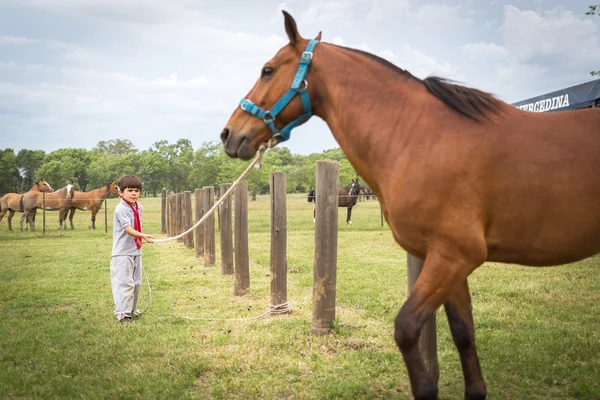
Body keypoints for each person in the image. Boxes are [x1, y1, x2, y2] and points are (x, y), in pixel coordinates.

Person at [110, 175, 155, 323]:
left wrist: (141, 239)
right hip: (122, 253)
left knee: (136, 283)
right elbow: (129, 229)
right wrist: (144, 236)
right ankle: (123, 314)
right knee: (125, 283)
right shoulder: (121, 209)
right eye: (130, 190)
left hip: (135, 251)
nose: (134, 193)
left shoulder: (138, 207)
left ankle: (131, 310)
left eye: (137, 190)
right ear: (121, 192)